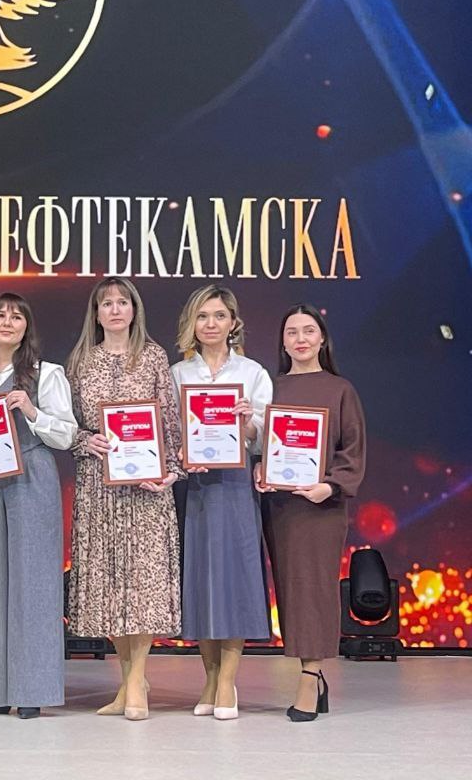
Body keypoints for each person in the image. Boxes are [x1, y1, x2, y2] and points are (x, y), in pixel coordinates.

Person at [66, 276, 182, 722]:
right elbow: (66, 424)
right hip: (99, 486)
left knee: (143, 585)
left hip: (146, 489)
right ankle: (130, 681)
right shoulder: (80, 360)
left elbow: (169, 423)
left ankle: (136, 683)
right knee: (110, 585)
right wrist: (84, 440)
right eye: (106, 303)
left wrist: (171, 473)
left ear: (135, 310)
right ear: (96, 314)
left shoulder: (153, 357)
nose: (115, 310)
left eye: (122, 302)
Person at [0, 293, 77, 720]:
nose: (7, 322)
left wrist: (32, 411)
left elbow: (67, 434)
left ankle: (33, 690)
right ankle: (2, 689)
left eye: (17, 316)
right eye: (0, 315)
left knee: (35, 583)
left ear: (27, 327)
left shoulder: (47, 374)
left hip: (33, 478)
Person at [257, 304, 365, 722]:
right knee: (290, 588)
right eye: (292, 332)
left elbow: (352, 451)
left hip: (321, 507)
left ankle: (310, 675)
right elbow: (261, 444)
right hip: (282, 506)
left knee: (313, 587)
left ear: (322, 338)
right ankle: (310, 673)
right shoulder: (272, 389)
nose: (300, 339)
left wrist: (330, 486)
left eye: (308, 330)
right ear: (283, 342)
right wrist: (260, 469)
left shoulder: (340, 390)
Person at [170, 285, 272, 720]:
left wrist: (248, 424)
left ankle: (227, 680)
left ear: (233, 322)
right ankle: (210, 679)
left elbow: (266, 437)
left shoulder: (252, 373)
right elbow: (169, 432)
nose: (210, 324)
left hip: (234, 485)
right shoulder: (177, 374)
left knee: (235, 580)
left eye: (218, 315)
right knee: (200, 581)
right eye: (202, 316)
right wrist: (179, 450)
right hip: (193, 486)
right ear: (192, 324)